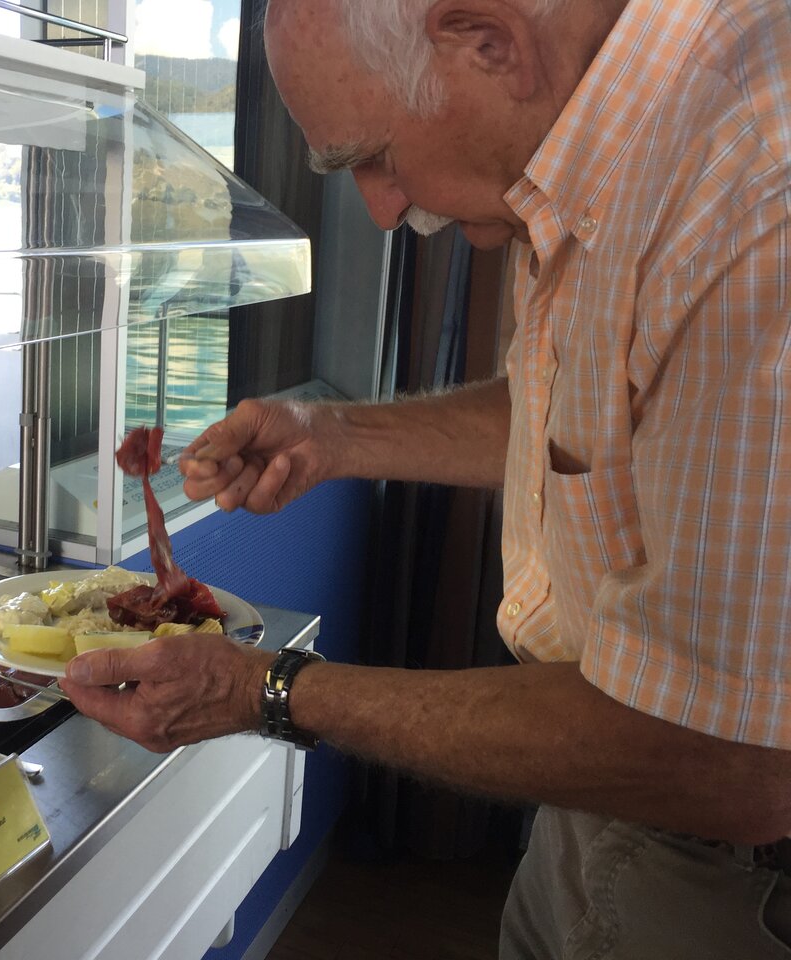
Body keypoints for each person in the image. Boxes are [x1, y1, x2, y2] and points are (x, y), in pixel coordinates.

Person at [59, 0, 791, 956]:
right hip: (604, 786)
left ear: (488, 42)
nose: (383, 208)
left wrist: (267, 691)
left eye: (375, 157)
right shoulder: (598, 158)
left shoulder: (753, 196)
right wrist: (331, 434)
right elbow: (597, 408)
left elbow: (727, 760)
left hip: (724, 862)